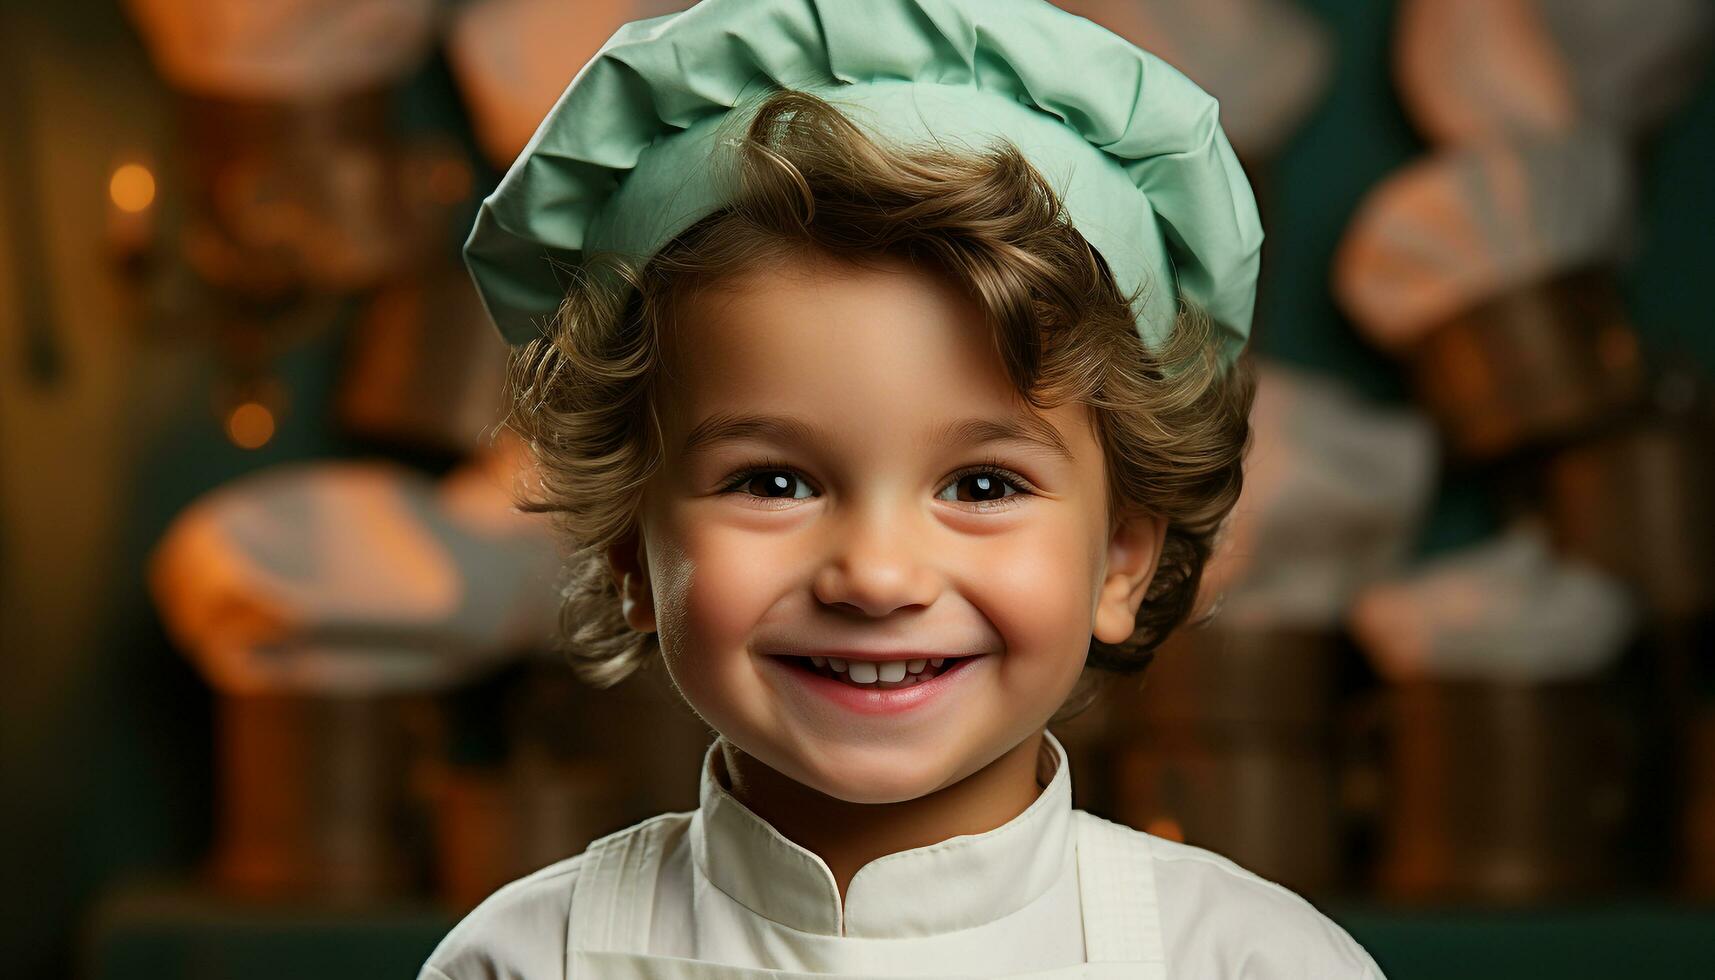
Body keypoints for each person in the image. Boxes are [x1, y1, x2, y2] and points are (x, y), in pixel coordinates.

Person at [423, 0, 1388, 976]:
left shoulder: (1249, 958)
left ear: (1121, 557)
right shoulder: (520, 959)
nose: (877, 576)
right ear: (631, 546)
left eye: (980, 483)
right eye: (773, 479)